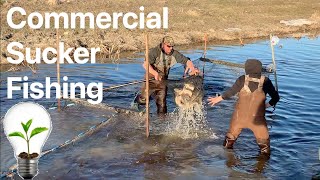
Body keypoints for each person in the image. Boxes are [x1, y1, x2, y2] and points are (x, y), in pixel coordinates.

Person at [207, 59, 279, 155]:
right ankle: (262, 167)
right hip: (257, 121)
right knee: (265, 148)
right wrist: (265, 106)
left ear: (247, 69)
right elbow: (276, 98)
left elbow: (231, 92)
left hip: (238, 118)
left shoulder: (242, 79)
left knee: (229, 141)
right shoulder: (266, 81)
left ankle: (228, 162)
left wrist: (218, 99)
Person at [136, 36, 199, 115]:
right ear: (163, 44)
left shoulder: (174, 53)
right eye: (168, 46)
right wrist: (155, 73)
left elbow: (187, 61)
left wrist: (192, 68)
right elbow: (145, 65)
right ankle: (137, 101)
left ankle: (161, 123)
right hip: (150, 80)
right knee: (143, 100)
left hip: (163, 81)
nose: (170, 49)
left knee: (162, 105)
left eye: (172, 47)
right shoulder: (154, 52)